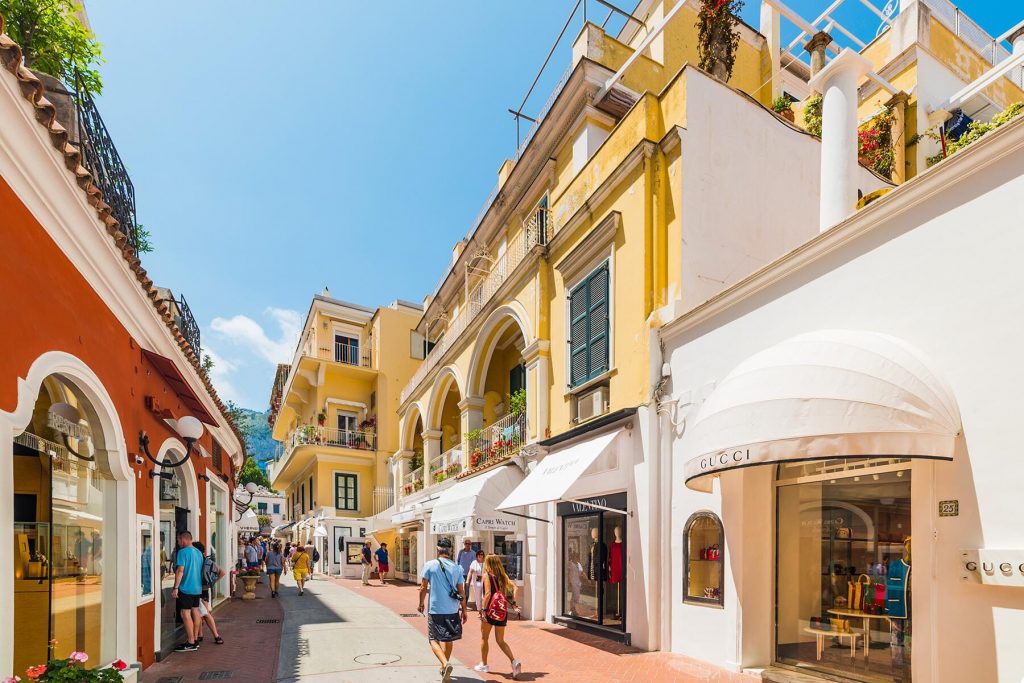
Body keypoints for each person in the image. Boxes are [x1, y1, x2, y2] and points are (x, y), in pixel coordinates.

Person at [418, 538, 467, 683]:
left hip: (436, 608)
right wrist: (464, 610)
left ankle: (445, 664)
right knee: (448, 638)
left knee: (433, 639)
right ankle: (444, 666)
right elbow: (461, 591)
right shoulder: (457, 567)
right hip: (452, 609)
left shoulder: (430, 565)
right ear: (450, 550)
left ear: (438, 549)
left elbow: (423, 587)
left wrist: (420, 603)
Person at [474, 554, 522, 678]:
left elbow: (488, 594)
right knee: (500, 640)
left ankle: (484, 665)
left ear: (488, 563)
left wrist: (483, 610)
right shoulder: (502, 576)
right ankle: (513, 661)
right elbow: (515, 587)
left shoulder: (487, 576)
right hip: (501, 611)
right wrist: (514, 603)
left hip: (490, 611)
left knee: (484, 638)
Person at [170, 530, 203, 652]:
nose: (178, 543)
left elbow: (180, 571)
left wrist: (175, 588)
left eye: (178, 540)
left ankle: (190, 642)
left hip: (186, 587)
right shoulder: (199, 553)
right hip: (197, 587)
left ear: (183, 539)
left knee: (185, 614)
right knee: (195, 611)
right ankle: (194, 638)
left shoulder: (183, 552)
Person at [192, 541, 225, 645]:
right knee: (203, 613)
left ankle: (214, 635)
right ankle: (202, 635)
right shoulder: (207, 561)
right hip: (205, 589)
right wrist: (212, 583)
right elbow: (222, 572)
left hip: (198, 590)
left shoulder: (196, 561)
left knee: (204, 614)